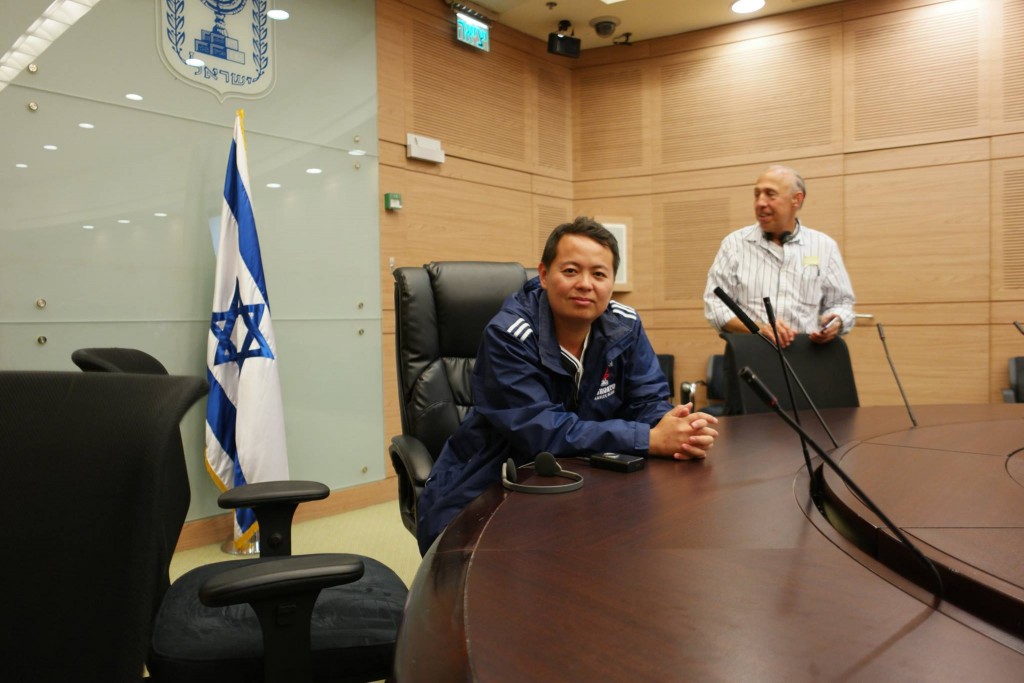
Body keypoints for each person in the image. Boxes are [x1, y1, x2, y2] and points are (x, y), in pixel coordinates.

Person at [416, 217, 719, 555]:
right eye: (571, 271)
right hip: (498, 479)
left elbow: (646, 399)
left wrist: (674, 426)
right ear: (544, 275)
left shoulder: (625, 326)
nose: (586, 284)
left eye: (599, 274)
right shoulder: (509, 335)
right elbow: (542, 431)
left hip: (588, 478)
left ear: (611, 282)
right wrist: (647, 438)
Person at [703, 165, 855, 348]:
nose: (760, 202)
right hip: (749, 356)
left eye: (770, 194)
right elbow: (715, 306)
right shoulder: (734, 244)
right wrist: (758, 329)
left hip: (808, 357)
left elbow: (842, 303)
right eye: (757, 194)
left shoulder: (824, 247)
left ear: (796, 200)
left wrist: (836, 322)